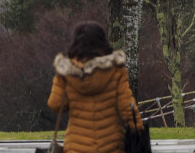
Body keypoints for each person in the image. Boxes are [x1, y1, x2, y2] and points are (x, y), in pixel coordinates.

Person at [46, 21, 144, 153]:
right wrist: (139, 130)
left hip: (76, 146)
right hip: (111, 145)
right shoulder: (116, 69)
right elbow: (127, 107)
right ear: (103, 41)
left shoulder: (66, 71)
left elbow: (55, 105)